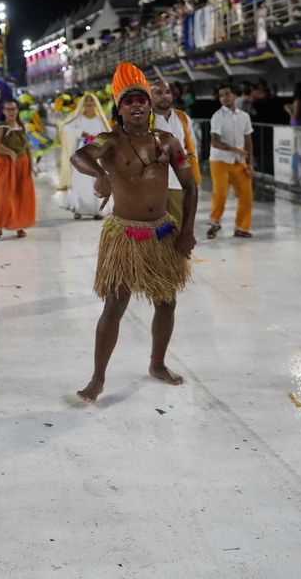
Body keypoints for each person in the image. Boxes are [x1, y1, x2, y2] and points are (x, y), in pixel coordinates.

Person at [70, 62, 197, 404]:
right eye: (129, 101)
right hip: (124, 236)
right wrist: (100, 174)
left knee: (167, 303)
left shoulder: (168, 141)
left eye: (142, 99)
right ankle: (97, 379)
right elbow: (79, 155)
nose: (138, 105)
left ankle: (157, 364)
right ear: (119, 108)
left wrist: (187, 230)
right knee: (114, 306)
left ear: (150, 104)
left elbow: (190, 185)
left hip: (161, 233)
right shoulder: (109, 141)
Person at [150, 80, 201, 228]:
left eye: (167, 92)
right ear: (150, 96)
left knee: (177, 225)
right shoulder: (145, 120)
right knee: (155, 227)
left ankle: (176, 252)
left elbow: (192, 147)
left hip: (178, 182)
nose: (164, 96)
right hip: (153, 183)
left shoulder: (182, 118)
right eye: (158, 93)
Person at [208, 84, 254, 239]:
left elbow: (248, 142)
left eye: (227, 94)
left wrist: (250, 164)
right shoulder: (217, 116)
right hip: (219, 160)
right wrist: (235, 149)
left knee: (246, 195)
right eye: (221, 95)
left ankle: (242, 228)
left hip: (239, 161)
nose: (224, 98)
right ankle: (215, 221)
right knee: (221, 193)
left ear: (234, 95)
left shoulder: (244, 117)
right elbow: (215, 142)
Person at [0, 99, 37, 238]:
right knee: (3, 195)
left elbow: (26, 147)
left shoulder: (21, 125)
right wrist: (10, 153)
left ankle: (19, 225)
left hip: (22, 164)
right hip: (5, 164)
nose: (11, 112)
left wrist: (31, 165)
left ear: (17, 110)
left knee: (21, 195)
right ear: (3, 112)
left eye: (13, 109)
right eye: (8, 109)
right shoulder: (1, 126)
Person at [59, 92, 111, 219]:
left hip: (97, 152)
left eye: (91, 104)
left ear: (95, 105)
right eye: (86, 105)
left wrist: (99, 140)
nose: (89, 107)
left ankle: (97, 210)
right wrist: (81, 133)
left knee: (98, 179)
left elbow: (108, 133)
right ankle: (79, 208)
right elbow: (65, 127)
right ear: (83, 106)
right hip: (81, 152)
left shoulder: (100, 119)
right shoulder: (78, 118)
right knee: (80, 180)